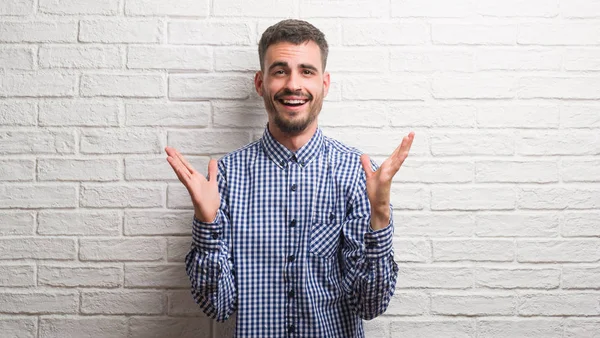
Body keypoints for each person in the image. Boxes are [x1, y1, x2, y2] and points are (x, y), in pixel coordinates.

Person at [165, 19, 415, 338]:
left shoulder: (357, 173)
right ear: (260, 82)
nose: (293, 84)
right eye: (280, 70)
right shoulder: (224, 178)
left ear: (324, 83)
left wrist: (380, 217)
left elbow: (369, 305)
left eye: (306, 71)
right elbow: (218, 306)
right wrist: (207, 223)